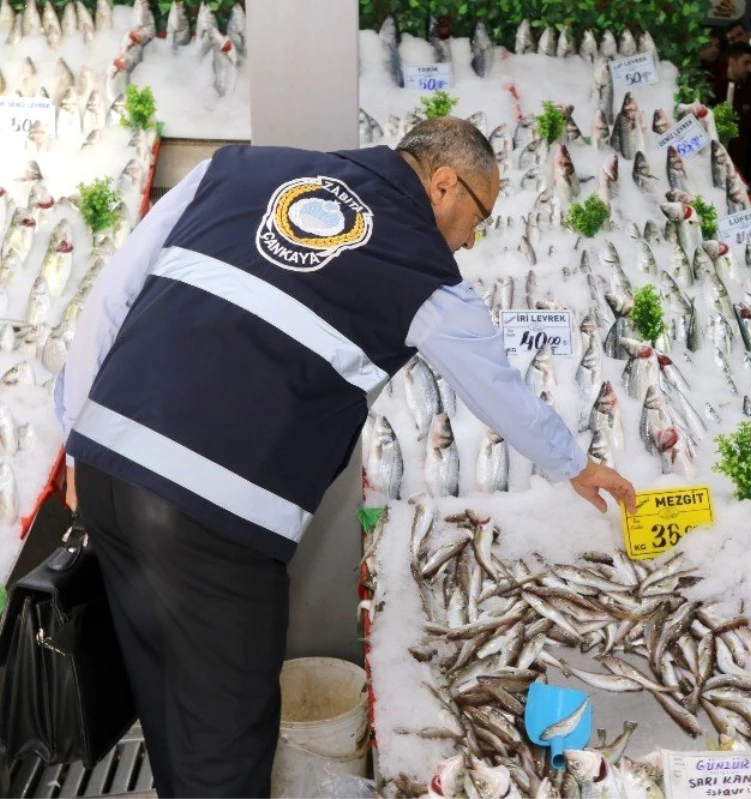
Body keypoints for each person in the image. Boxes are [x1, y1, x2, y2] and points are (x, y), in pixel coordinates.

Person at [53, 117, 637, 797]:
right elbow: (498, 392)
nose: (474, 238)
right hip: (209, 516)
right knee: (227, 742)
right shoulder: (424, 270)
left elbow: (118, 285)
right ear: (443, 184)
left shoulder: (239, 166)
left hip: (107, 469)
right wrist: (577, 465)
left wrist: (77, 428)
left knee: (165, 697)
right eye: (479, 215)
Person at [713, 42, 751, 185]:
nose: (750, 69)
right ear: (732, 62)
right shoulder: (713, 88)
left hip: (739, 166)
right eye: (746, 63)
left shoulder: (749, 94)